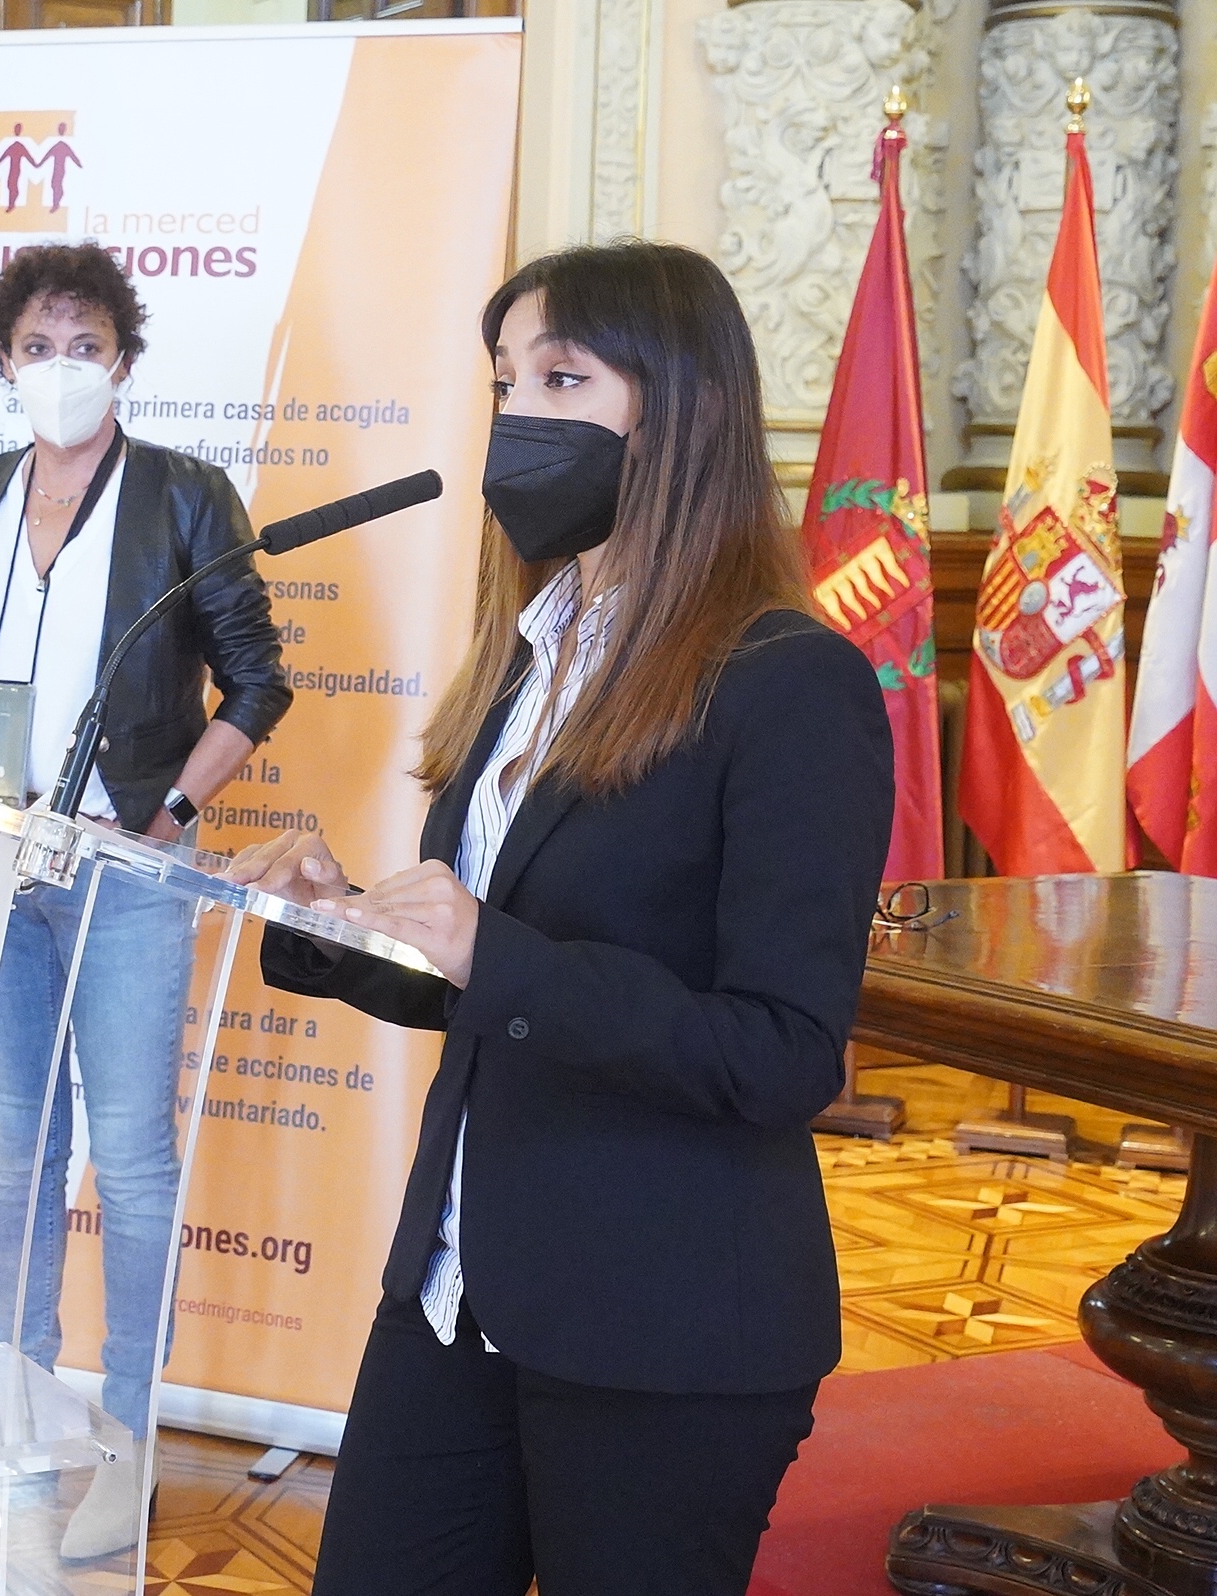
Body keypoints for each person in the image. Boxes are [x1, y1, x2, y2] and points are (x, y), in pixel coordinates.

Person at [225, 241, 893, 1596]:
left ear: (683, 407)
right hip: (455, 1291)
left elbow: (781, 1054)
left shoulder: (788, 682)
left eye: (562, 379)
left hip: (661, 1323)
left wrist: (495, 951)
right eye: (503, 382)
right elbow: (484, 979)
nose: (517, 414)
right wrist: (343, 925)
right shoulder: (533, 649)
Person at [0, 243, 291, 1560]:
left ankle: (127, 1439)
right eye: (36, 347)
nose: (59, 368)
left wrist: (165, 815)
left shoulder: (183, 495)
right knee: (20, 1157)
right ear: (2, 362)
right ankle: (20, 1411)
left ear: (123, 358)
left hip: (122, 872)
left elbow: (257, 682)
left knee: (127, 1160)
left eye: (85, 345)